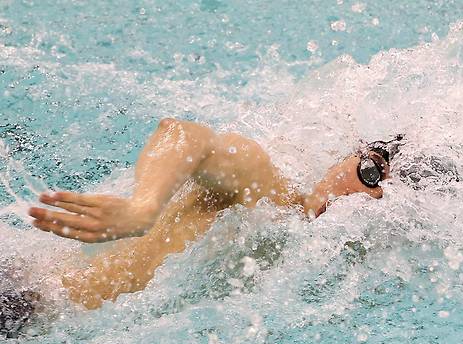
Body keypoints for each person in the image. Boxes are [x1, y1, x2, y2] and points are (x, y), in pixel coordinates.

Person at [22, 118, 406, 311]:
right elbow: (184, 136)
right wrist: (142, 208)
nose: (364, 195)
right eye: (369, 171)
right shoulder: (271, 192)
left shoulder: (318, 281)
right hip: (32, 295)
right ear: (348, 154)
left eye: (381, 195)